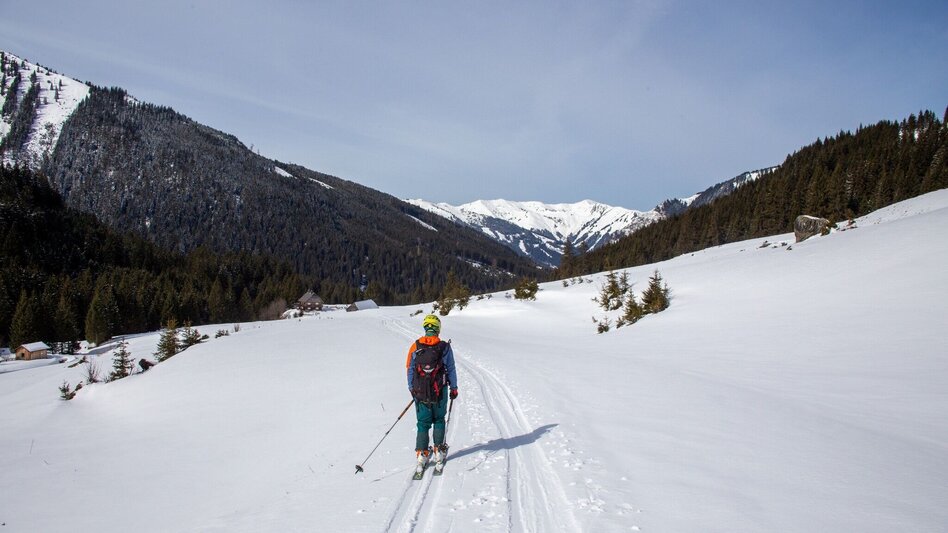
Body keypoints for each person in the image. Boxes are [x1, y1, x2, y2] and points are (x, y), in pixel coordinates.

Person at [406, 314, 458, 470]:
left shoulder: (415, 346)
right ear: (438, 328)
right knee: (439, 420)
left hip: (420, 393)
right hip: (440, 391)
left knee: (423, 423)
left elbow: (410, 369)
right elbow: (451, 369)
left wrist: (412, 389)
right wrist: (454, 388)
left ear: (425, 327)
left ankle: (421, 454)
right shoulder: (444, 347)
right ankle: (438, 451)